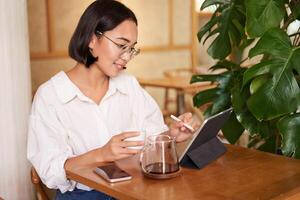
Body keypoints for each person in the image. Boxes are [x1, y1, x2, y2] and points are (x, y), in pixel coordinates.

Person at [27, 0, 198, 199]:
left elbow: (151, 140)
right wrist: (102, 154)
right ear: (92, 39)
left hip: (134, 189)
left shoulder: (129, 86)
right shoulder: (51, 95)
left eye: (132, 48)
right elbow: (50, 170)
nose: (127, 57)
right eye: (121, 45)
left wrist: (171, 135)